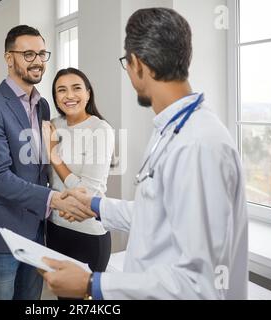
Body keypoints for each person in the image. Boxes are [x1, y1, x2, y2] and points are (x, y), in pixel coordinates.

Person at [40, 8, 248, 300]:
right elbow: (157, 214)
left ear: (136, 64)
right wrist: (97, 204)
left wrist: (92, 285)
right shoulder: (171, 129)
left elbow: (201, 284)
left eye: (126, 62)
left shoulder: (198, 145)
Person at [0, 25, 95, 300]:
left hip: (37, 231)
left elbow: (39, 169)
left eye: (41, 53)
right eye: (28, 54)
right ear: (8, 58)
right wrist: (56, 199)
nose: (37, 61)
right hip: (1, 233)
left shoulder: (43, 106)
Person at [42, 68, 115, 299]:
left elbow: (87, 192)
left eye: (76, 88)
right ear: (55, 98)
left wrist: (54, 155)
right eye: (61, 90)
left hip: (88, 234)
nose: (69, 95)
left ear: (88, 93)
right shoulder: (54, 125)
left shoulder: (100, 130)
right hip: (55, 228)